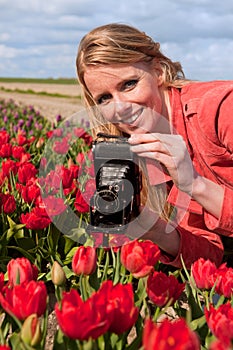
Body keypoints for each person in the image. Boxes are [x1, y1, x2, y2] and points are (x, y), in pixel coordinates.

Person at [76, 23, 233, 268]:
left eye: (128, 84)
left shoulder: (221, 109)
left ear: (158, 71)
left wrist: (195, 183)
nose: (121, 108)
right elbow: (211, 254)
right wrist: (157, 231)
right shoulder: (143, 150)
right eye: (104, 98)